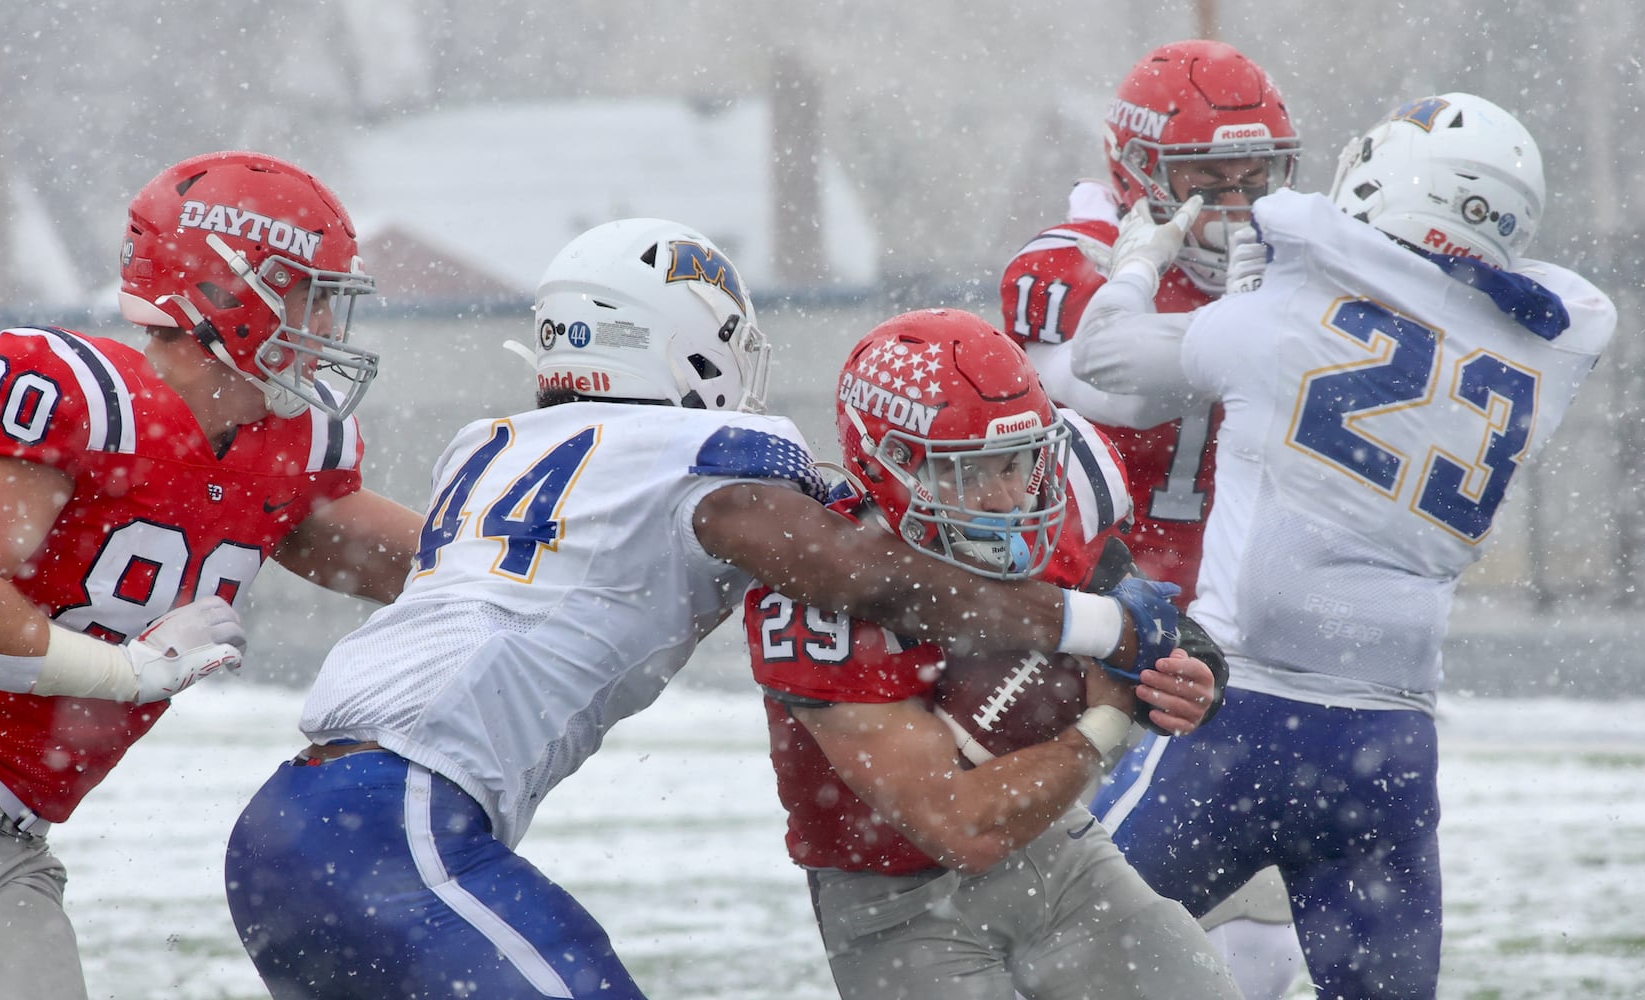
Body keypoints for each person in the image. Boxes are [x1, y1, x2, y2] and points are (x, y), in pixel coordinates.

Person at [221, 220, 1185, 1000]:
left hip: (289, 829)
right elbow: (868, 579)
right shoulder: (703, 452)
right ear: (680, 341)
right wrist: (1094, 627)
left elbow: (416, 570)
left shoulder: (491, 448)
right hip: (399, 826)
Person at [1076, 93, 1617, 997]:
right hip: (1389, 746)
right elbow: (1554, 307)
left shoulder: (1277, 320)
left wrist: (1137, 264)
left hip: (1232, 717)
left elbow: (1103, 360)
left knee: (1059, 959)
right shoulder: (1538, 362)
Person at [0, 150, 422, 1000]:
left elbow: (431, 566)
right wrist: (125, 671)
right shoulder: (88, 398)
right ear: (228, 289)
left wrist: (557, 548)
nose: (328, 325)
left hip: (5, 838)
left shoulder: (284, 452)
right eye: (311, 293)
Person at [746, 307, 1241, 999]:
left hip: (1059, 857)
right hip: (900, 909)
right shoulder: (817, 595)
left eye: (1016, 462)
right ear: (891, 461)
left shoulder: (1053, 494)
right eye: (972, 470)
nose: (1009, 496)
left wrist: (1186, 671)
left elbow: (1137, 612)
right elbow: (960, 827)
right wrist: (1107, 718)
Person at [1000, 38, 1305, 995]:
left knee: (1259, 927)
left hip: (1236, 623)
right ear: (1135, 168)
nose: (1237, 197)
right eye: (1206, 175)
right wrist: (1250, 321)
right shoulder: (1067, 265)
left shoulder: (1298, 265)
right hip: (1098, 622)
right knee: (1089, 915)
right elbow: (1105, 385)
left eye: (1259, 173)